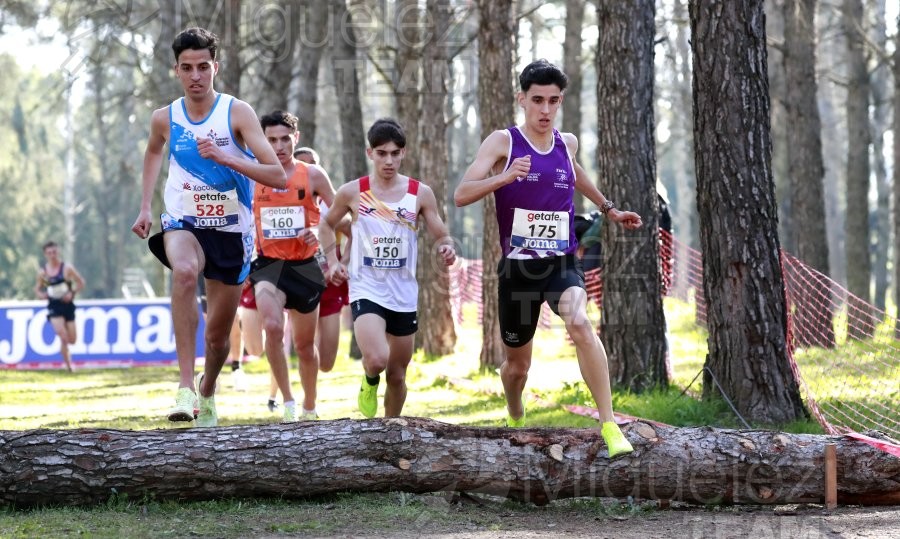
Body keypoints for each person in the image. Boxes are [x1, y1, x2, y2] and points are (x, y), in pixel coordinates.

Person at [453, 59, 642, 458]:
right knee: (517, 368)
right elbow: (461, 193)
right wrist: (503, 177)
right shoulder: (503, 142)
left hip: (560, 264)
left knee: (579, 320)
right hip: (518, 272)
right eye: (537, 100)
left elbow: (577, 174)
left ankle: (609, 424)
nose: (545, 109)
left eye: (553, 101)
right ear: (522, 99)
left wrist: (610, 210)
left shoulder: (565, 143)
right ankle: (515, 410)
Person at [130, 27, 287, 427]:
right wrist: (146, 206)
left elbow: (277, 175)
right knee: (183, 272)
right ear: (176, 71)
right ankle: (183, 387)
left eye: (203, 67)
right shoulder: (165, 118)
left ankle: (207, 388)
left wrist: (228, 157)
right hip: (183, 221)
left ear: (215, 67)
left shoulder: (237, 113)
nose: (196, 75)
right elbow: (152, 153)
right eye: (187, 68)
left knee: (218, 340)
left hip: (232, 232)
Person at [320, 118, 456, 418]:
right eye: (382, 153)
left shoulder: (420, 193)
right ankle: (369, 381)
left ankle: (390, 431)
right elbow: (327, 225)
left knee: (397, 375)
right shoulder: (353, 192)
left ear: (403, 153)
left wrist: (446, 246)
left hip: (403, 292)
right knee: (378, 359)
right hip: (366, 287)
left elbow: (439, 231)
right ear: (370, 154)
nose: (389, 160)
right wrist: (332, 262)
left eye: (395, 153)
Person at [252, 110, 344, 422]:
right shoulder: (254, 174)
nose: (279, 146)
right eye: (271, 140)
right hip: (268, 265)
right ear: (261, 141)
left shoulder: (313, 175)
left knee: (305, 347)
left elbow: (341, 216)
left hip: (306, 266)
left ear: (296, 138)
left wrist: (320, 231)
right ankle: (288, 403)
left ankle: (309, 404)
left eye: (284, 139)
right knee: (273, 328)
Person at [294, 146, 350, 374]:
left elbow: (354, 233)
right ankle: (307, 399)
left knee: (327, 362)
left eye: (311, 165)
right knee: (304, 347)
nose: (306, 171)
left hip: (330, 283)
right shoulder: (283, 204)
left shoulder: (331, 205)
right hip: (298, 282)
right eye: (301, 166)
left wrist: (341, 264)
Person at [34, 241, 85, 372]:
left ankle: (67, 355)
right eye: (49, 253)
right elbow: (37, 290)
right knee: (62, 334)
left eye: (54, 252)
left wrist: (72, 293)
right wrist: (42, 295)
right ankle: (69, 366)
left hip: (67, 304)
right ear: (45, 254)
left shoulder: (67, 268)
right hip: (54, 305)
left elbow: (81, 283)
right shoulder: (43, 273)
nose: (52, 255)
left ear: (58, 251)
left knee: (72, 339)